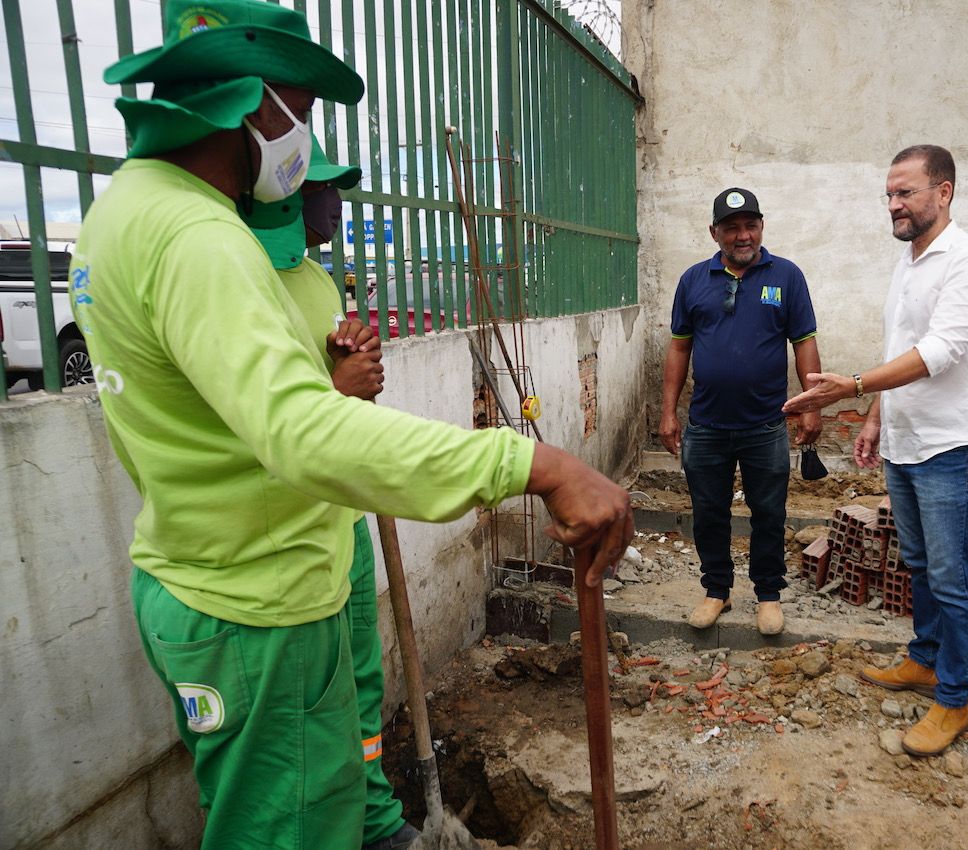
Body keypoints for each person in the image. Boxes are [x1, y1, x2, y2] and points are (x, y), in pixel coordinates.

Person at [72, 2, 632, 847]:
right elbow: (301, 430)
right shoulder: (197, 237)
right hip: (255, 603)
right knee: (287, 833)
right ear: (258, 103)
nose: (306, 136)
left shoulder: (128, 211)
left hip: (217, 573)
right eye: (303, 109)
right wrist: (532, 463)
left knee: (315, 808)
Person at [783, 145, 968, 756]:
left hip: (950, 445)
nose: (894, 204)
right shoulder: (909, 265)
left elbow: (940, 353)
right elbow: (901, 349)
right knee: (918, 563)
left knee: (953, 576)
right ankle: (926, 658)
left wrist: (852, 388)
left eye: (905, 192)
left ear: (944, 193)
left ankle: (954, 700)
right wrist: (876, 419)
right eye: (889, 194)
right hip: (906, 443)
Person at [243, 140, 413, 850]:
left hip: (338, 520)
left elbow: (327, 387)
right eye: (322, 189)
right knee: (292, 726)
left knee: (359, 681)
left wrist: (351, 361)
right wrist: (336, 392)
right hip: (274, 537)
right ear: (280, 194)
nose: (334, 205)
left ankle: (373, 817)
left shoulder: (314, 277)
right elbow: (263, 415)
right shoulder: (238, 275)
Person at [659, 188, 822, 636]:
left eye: (750, 225)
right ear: (715, 233)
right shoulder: (694, 280)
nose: (742, 235)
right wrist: (668, 412)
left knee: (769, 512)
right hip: (706, 426)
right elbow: (679, 348)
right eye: (731, 228)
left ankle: (768, 596)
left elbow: (804, 342)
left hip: (766, 425)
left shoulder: (786, 277)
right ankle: (717, 591)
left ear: (761, 227)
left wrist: (812, 404)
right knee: (709, 513)